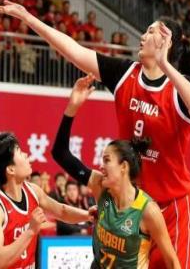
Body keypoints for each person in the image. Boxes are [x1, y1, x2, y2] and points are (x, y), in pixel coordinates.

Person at [0, 0, 190, 268]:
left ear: (167, 41)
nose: (142, 36)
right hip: (134, 207)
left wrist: (165, 64)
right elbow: (73, 50)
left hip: (174, 206)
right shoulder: (125, 74)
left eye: (151, 31)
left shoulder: (179, 88)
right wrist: (27, 17)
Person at [52, 74, 181, 268]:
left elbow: (171, 260)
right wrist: (72, 107)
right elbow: (60, 153)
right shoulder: (100, 186)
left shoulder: (147, 210)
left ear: (123, 167)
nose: (101, 166)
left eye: (107, 160)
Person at [0, 132, 93, 269]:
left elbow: (61, 211)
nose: (26, 155)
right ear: (11, 169)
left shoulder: (32, 190)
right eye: (20, 152)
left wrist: (89, 215)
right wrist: (31, 230)